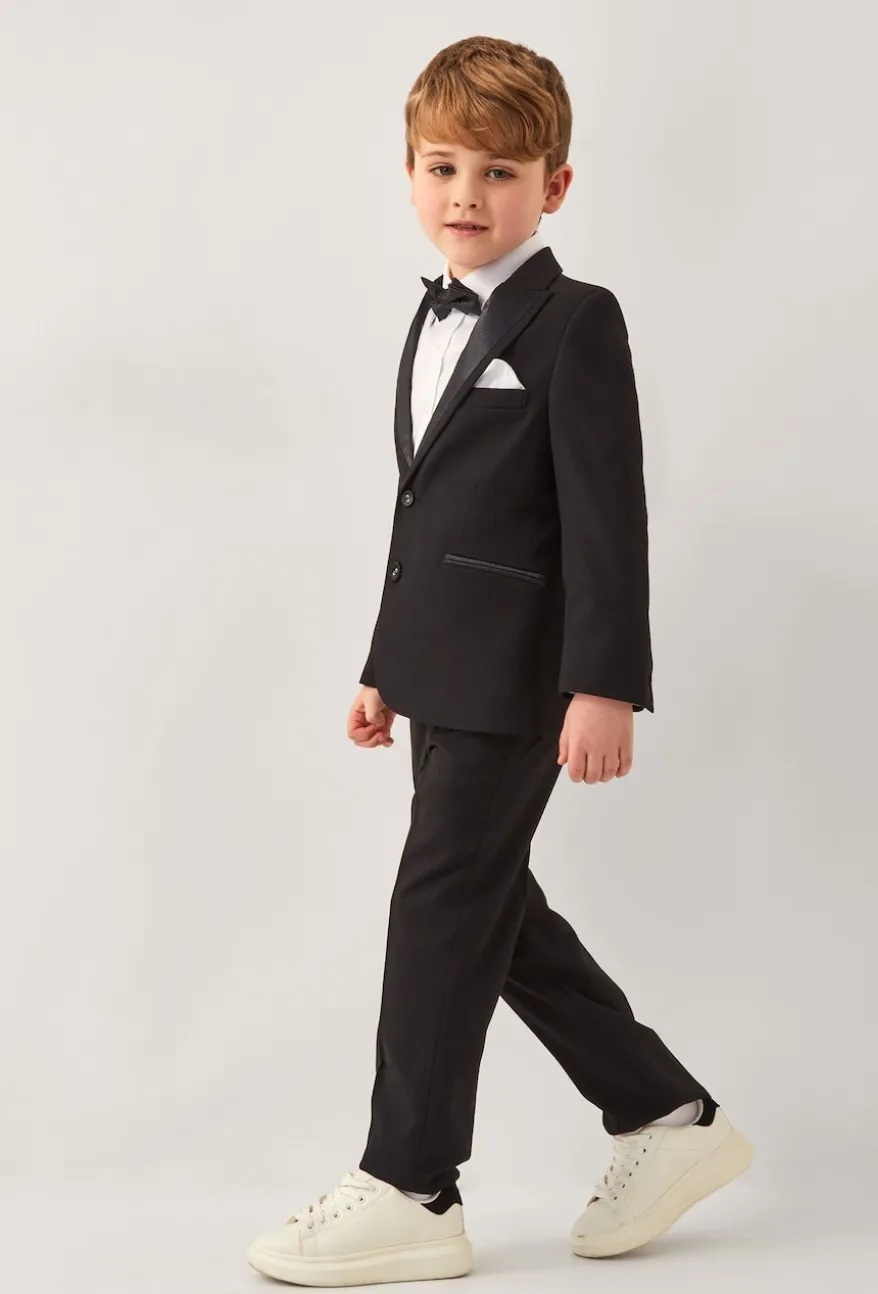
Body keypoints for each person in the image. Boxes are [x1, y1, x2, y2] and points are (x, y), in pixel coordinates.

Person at [246, 34, 753, 1288]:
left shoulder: (576, 321)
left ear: (554, 187)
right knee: (485, 901)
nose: (465, 195)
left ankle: (412, 1182)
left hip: (527, 673)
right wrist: (386, 665)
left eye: (499, 173)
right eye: (442, 167)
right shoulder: (428, 317)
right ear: (408, 174)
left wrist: (604, 682)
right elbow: (428, 515)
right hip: (443, 668)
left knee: (440, 900)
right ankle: (666, 1114)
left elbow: (606, 517)